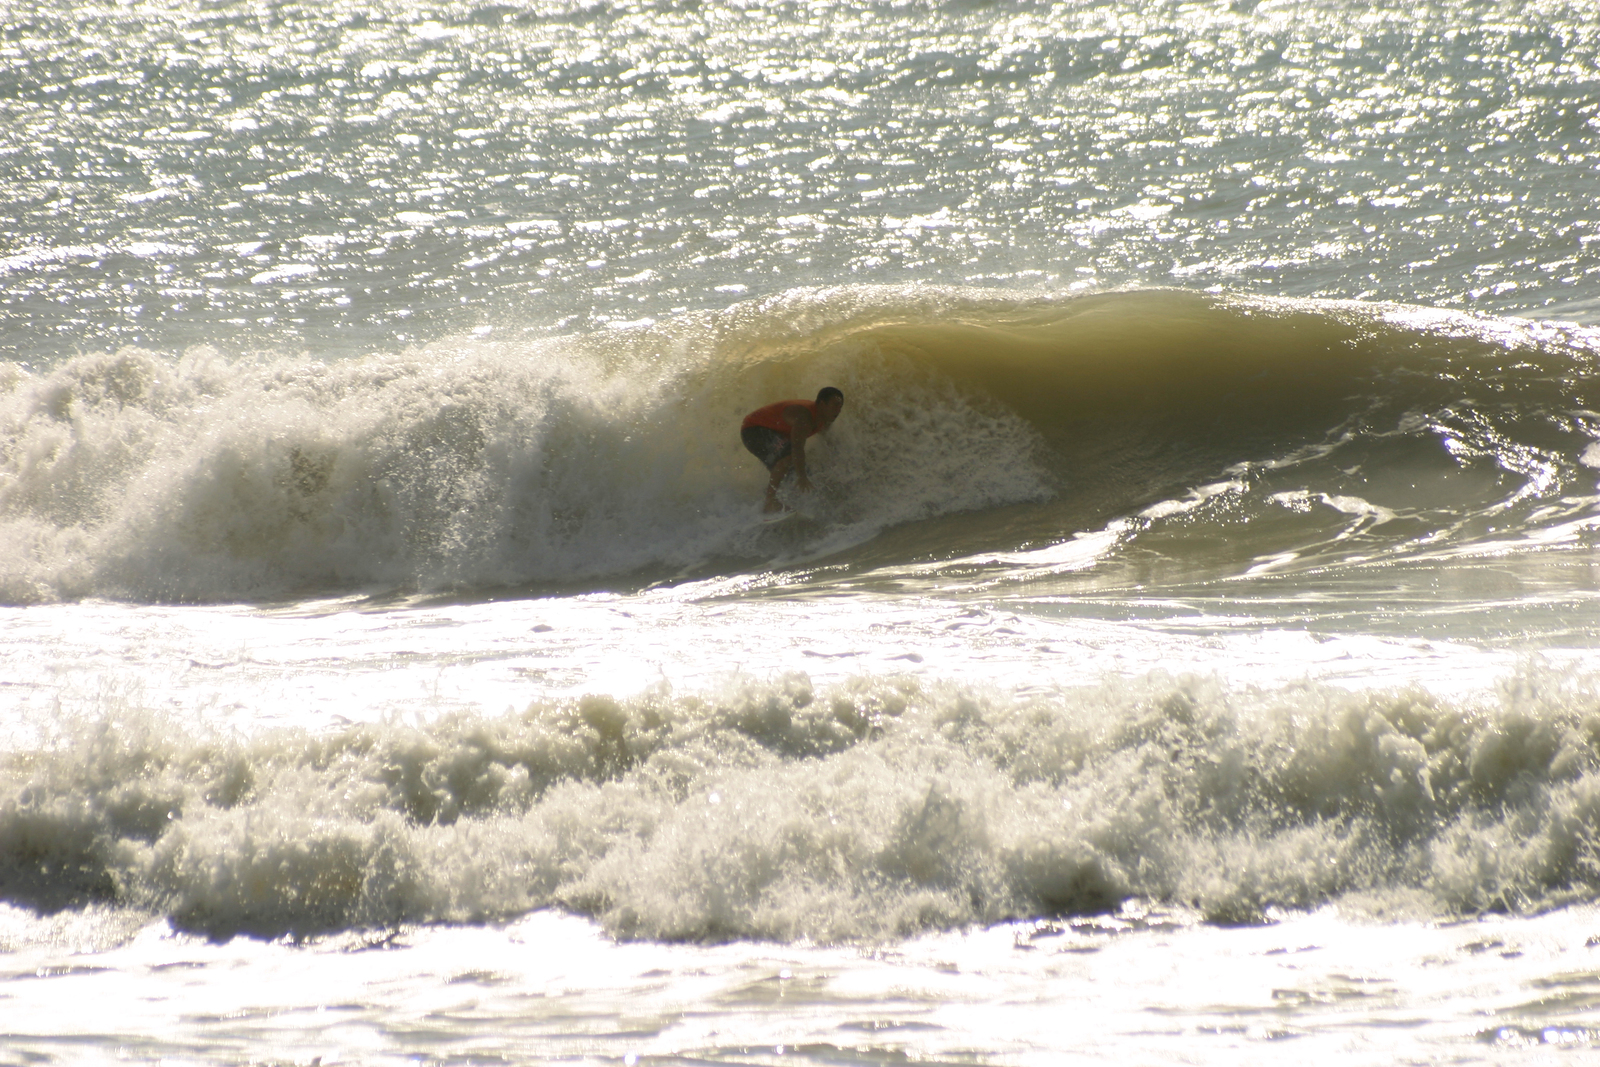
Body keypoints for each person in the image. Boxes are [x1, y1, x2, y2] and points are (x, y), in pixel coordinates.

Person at [740, 386, 845, 512]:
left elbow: (827, 441)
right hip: (753, 429)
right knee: (788, 458)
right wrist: (802, 476)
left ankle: (775, 501)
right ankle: (770, 502)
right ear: (822, 404)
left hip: (774, 433)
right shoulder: (804, 418)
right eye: (835, 405)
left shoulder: (826, 419)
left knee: (795, 471)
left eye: (840, 406)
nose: (838, 410)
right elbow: (797, 448)